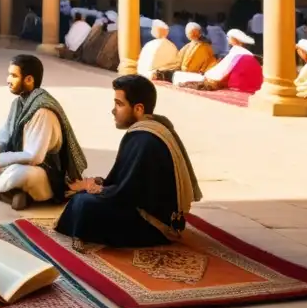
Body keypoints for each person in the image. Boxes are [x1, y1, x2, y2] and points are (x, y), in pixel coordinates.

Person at [57, 74, 202, 247]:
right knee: (84, 197)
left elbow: (126, 194)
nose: (113, 110)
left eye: (119, 104)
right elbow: (130, 185)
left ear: (138, 109)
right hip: (151, 213)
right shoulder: (153, 128)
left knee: (84, 203)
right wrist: (99, 185)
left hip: (154, 226)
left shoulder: (144, 139)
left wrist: (94, 188)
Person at [0, 54, 86, 211]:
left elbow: (34, 156)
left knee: (17, 173)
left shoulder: (43, 111)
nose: (8, 80)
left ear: (29, 80)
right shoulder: (19, 103)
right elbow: (5, 133)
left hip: (43, 173)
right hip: (15, 161)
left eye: (13, 75)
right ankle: (10, 193)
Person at [176, 28, 262, 94]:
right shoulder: (244, 52)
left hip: (240, 83)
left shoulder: (236, 51)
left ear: (234, 40)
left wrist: (208, 75)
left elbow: (224, 70)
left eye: (228, 37)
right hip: (253, 83)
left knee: (181, 76)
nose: (227, 39)